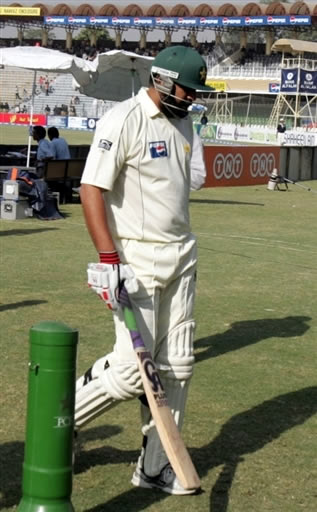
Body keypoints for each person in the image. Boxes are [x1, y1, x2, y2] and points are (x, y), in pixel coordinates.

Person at [75, 45, 212, 495]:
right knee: (134, 371)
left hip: (182, 257)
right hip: (136, 260)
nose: (191, 98)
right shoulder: (124, 119)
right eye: (186, 90)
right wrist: (109, 259)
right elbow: (91, 188)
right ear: (161, 80)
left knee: (178, 368)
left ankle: (155, 467)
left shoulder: (184, 120)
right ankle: (61, 422)